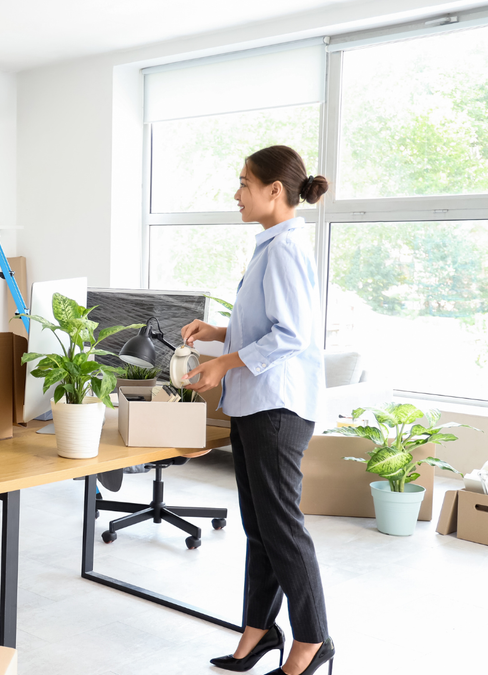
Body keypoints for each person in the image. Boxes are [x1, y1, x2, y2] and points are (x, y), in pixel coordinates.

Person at [180, 146, 335, 675]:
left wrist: (224, 362)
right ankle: (260, 629)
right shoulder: (270, 245)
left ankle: (314, 640)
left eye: (245, 183)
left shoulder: (287, 247)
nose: (237, 193)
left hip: (277, 407)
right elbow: (267, 321)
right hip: (256, 403)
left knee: (282, 527)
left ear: (274, 190)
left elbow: (293, 335)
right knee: (259, 527)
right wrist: (219, 332)